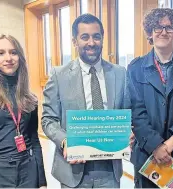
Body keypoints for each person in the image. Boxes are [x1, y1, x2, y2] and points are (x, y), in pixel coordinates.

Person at [42, 14, 126, 188]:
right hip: (73, 171)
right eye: (84, 37)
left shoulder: (120, 73)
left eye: (96, 36)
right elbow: (48, 120)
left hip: (109, 169)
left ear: (102, 39)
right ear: (75, 41)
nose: (91, 42)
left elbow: (127, 112)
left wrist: (129, 131)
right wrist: (65, 141)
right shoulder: (59, 75)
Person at [126, 8, 173, 188]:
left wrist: (170, 142)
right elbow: (135, 111)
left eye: (169, 27)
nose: (163, 32)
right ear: (150, 33)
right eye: (157, 28)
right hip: (146, 154)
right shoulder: (135, 68)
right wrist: (156, 145)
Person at [0, 34, 47, 188]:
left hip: (27, 169)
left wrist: (41, 181)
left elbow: (34, 139)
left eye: (13, 52)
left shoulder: (30, 98)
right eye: (1, 53)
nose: (8, 58)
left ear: (20, 57)